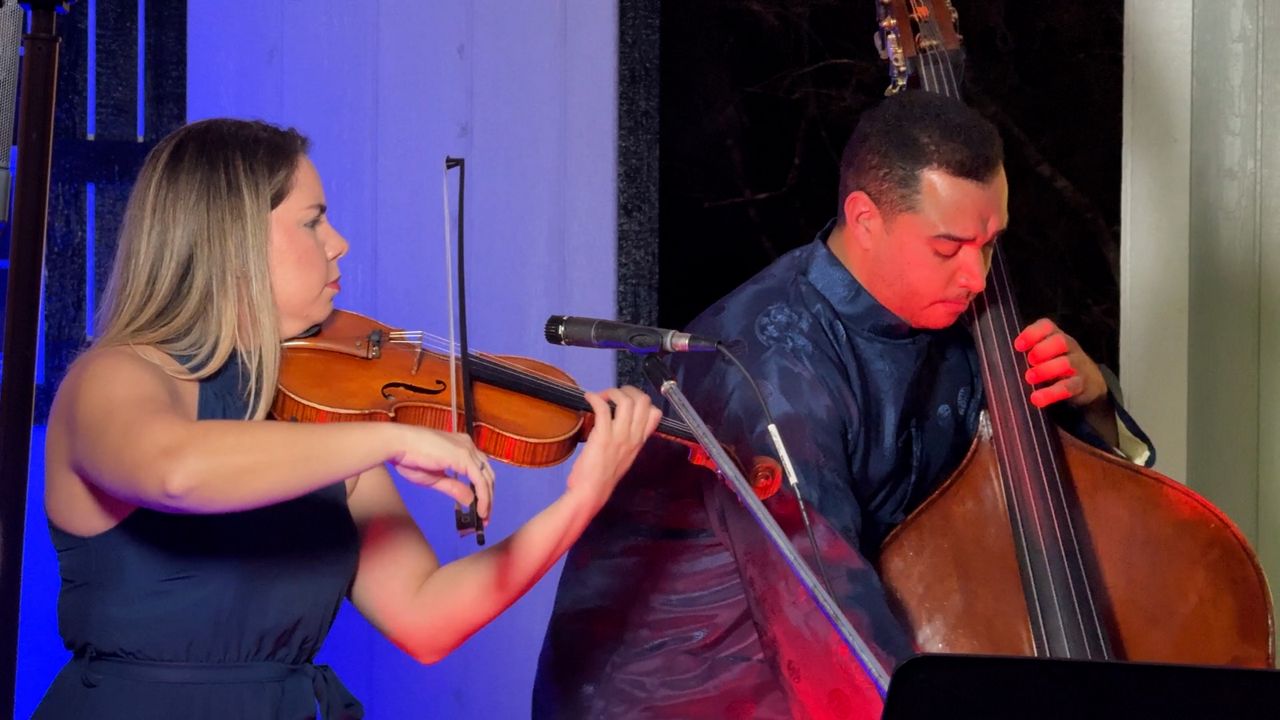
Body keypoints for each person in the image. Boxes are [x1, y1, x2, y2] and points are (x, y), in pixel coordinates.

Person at [532, 91, 1152, 717]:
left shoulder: (951, 328)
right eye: (948, 248)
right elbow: (828, 622)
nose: (977, 276)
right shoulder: (770, 365)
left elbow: (1059, 502)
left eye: (990, 244)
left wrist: (1088, 397)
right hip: (676, 697)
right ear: (864, 219)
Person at [33, 118, 662, 720]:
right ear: (235, 237)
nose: (339, 243)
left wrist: (581, 502)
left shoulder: (328, 412)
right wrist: (389, 437)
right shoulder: (116, 377)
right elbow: (175, 471)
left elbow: (426, 620)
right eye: (313, 222)